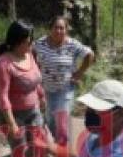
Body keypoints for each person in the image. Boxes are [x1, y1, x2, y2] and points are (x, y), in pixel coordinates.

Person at [0, 21, 49, 157]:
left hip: (33, 111)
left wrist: (41, 97)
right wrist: (12, 123)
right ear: (16, 42)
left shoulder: (29, 55)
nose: (30, 45)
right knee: (20, 149)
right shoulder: (4, 63)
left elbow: (36, 80)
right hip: (13, 115)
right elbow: (3, 97)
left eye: (31, 41)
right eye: (27, 42)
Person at [33, 16, 95, 146]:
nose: (59, 31)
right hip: (47, 88)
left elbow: (90, 54)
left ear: (66, 30)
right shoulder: (41, 43)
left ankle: (62, 148)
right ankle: (53, 144)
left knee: (62, 118)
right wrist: (35, 68)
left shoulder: (72, 44)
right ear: (50, 29)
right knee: (50, 119)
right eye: (56, 27)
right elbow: (31, 53)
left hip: (65, 88)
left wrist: (79, 73)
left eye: (62, 28)